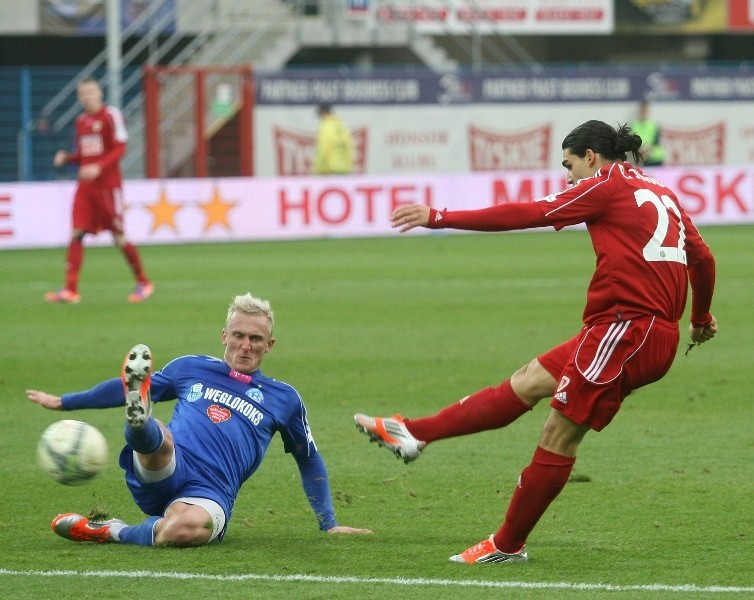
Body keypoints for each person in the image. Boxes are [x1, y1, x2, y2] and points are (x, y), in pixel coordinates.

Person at [354, 120, 717, 564]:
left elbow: (529, 213)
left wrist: (440, 217)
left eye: (569, 165)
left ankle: (508, 544)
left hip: (626, 332)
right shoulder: (660, 191)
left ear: (590, 155)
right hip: (629, 329)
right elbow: (704, 259)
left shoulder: (604, 182)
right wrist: (700, 318)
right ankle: (414, 433)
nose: (568, 177)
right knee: (528, 381)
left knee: (558, 434)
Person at [27, 292, 372, 546]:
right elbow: (122, 387)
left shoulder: (284, 399)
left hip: (212, 491)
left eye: (256, 339)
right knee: (159, 437)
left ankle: (109, 530)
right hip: (168, 465)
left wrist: (329, 523)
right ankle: (139, 420)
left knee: (179, 531)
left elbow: (308, 459)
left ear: (270, 345)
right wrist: (66, 402)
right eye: (238, 336)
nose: (245, 346)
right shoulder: (191, 367)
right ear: (224, 336)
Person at [46, 77, 153, 304]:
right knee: (77, 233)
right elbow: (86, 156)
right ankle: (70, 290)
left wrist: (99, 166)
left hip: (107, 187)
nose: (87, 96)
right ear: (79, 97)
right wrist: (68, 158)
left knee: (118, 237)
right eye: (83, 93)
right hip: (85, 188)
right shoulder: (81, 122)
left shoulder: (110, 116)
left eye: (91, 92)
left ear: (100, 94)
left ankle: (144, 282)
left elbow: (121, 147)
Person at [313, 103, 354, 175]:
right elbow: (348, 147)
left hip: (329, 169)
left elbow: (324, 149)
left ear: (323, 113)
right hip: (344, 168)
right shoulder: (341, 126)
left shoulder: (325, 127)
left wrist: (318, 169)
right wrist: (349, 165)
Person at [631, 99, 665, 166]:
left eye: (646, 110)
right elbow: (632, 142)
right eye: (643, 110)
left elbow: (656, 142)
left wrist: (648, 150)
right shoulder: (634, 125)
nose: (644, 112)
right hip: (642, 159)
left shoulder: (653, 125)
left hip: (656, 159)